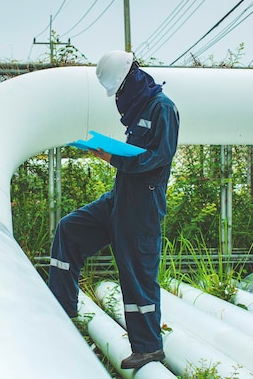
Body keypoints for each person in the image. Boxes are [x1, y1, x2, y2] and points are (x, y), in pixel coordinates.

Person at [48, 50, 180, 370]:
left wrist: (113, 157)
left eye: (119, 89)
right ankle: (62, 311)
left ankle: (148, 348)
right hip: (118, 200)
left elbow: (158, 157)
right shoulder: (141, 108)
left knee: (137, 275)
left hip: (142, 207)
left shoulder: (163, 109)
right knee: (70, 228)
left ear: (132, 78)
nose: (119, 97)